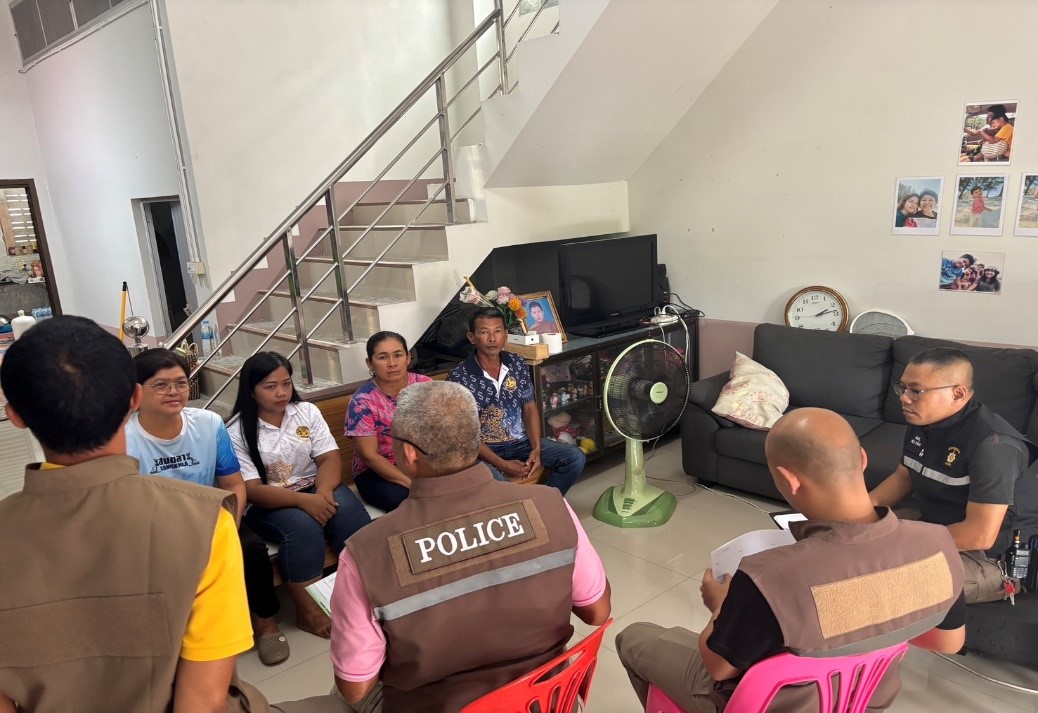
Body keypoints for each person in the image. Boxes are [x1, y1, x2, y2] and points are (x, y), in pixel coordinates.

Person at [0, 316, 349, 712]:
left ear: (15, 415)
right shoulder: (203, 521)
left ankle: (267, 623)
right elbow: (203, 698)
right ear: (134, 399)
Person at [616, 408, 965, 712]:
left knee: (634, 637)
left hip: (771, 704)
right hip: (864, 697)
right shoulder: (937, 542)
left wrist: (719, 606)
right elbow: (947, 642)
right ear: (862, 458)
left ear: (788, 480)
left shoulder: (770, 577)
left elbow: (718, 667)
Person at [329, 381, 611, 712]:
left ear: (409, 453)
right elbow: (597, 612)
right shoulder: (550, 504)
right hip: (547, 701)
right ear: (476, 441)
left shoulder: (365, 552)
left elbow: (355, 687)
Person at [126, 348, 289, 666]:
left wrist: (230, 524)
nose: (174, 391)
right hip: (154, 526)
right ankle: (171, 639)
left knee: (250, 548)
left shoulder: (208, 423)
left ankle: (265, 624)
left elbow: (233, 485)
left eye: (181, 382)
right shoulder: (123, 437)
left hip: (211, 516)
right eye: (161, 385)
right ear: (136, 392)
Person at [870, 348, 1038, 603]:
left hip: (987, 559)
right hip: (938, 523)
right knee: (848, 535)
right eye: (902, 388)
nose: (904, 398)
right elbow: (905, 477)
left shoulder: (993, 447)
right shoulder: (923, 422)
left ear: (957, 393)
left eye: (916, 391)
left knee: (883, 580)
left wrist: (905, 542)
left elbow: (979, 535)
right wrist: (859, 510)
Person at [230, 351, 371, 638]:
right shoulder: (236, 431)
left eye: (286, 383)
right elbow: (252, 490)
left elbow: (329, 458)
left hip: (316, 486)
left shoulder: (306, 412)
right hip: (268, 501)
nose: (281, 393)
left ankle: (360, 593)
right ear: (251, 390)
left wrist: (322, 492)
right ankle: (308, 611)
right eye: (270, 386)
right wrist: (304, 501)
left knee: (349, 514)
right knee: (303, 528)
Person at [448, 307, 585, 494]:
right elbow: (465, 434)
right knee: (499, 485)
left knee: (575, 457)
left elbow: (529, 407)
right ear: (472, 337)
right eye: (484, 332)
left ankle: (544, 502)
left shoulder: (517, 363)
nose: (492, 338)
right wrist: (502, 465)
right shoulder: (458, 376)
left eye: (497, 331)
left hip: (520, 443)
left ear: (505, 335)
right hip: (483, 450)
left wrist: (536, 449)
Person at [345, 331, 431, 512]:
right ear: (370, 363)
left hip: (422, 461)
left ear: (408, 357)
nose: (392, 363)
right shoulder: (362, 402)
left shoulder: (426, 386)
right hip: (378, 472)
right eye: (383, 357)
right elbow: (370, 456)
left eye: (398, 355)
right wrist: (413, 485)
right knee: (411, 502)